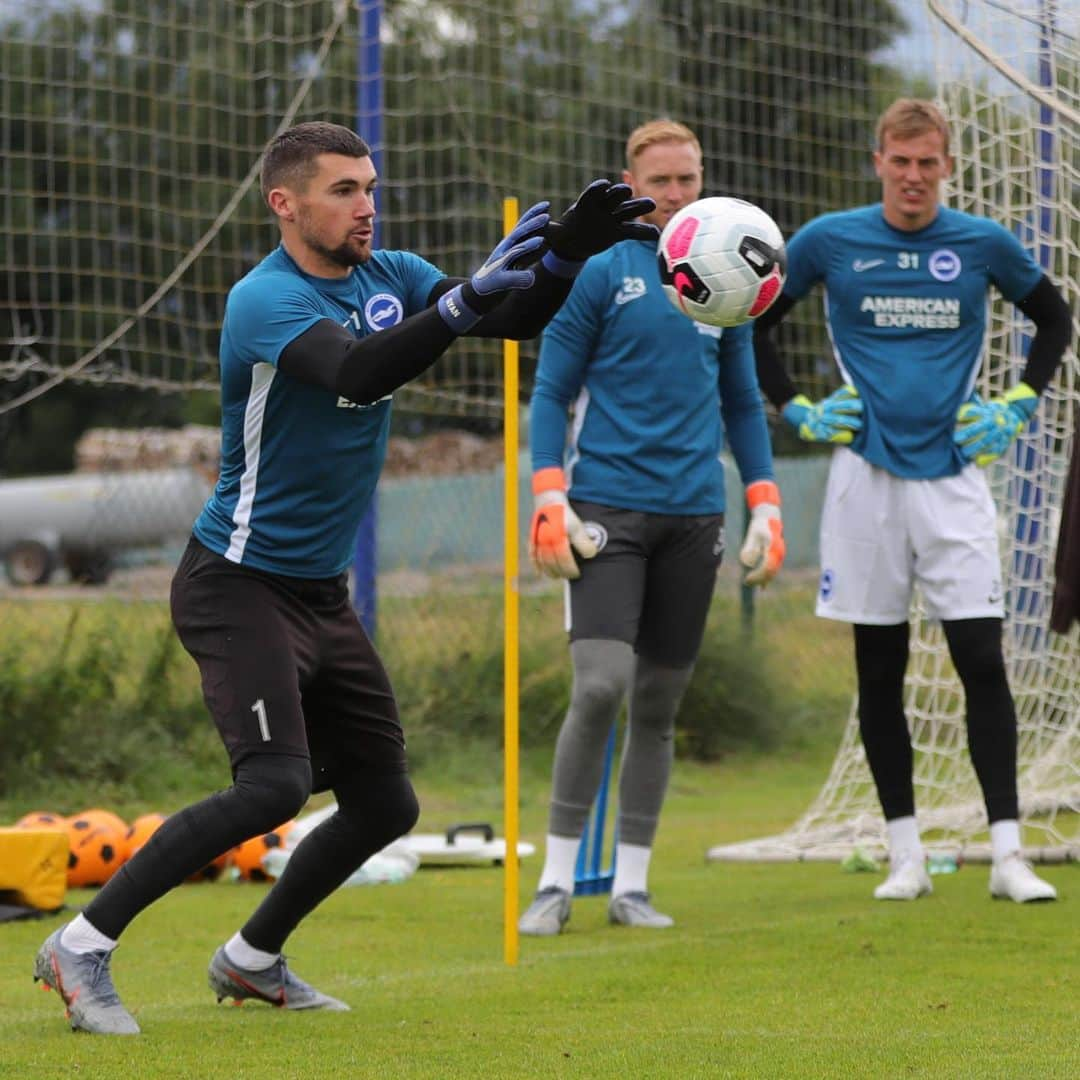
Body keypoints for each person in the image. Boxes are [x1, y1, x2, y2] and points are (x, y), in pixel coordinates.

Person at [32, 121, 659, 1034]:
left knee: (385, 803)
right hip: (236, 583)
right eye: (342, 190)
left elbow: (514, 318)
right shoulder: (264, 299)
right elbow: (358, 373)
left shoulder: (392, 271)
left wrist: (565, 255)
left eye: (370, 186)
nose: (366, 205)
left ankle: (251, 959)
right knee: (274, 788)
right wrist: (462, 302)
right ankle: (80, 945)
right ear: (284, 204)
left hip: (320, 592)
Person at [753, 98, 1072, 903]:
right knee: (879, 668)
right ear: (878, 160)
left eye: (928, 163)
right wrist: (796, 409)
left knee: (980, 661)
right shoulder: (829, 241)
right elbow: (755, 324)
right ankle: (904, 856)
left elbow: (1054, 316)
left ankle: (1007, 857)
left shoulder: (980, 244)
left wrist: (1019, 402)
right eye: (900, 161)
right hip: (863, 480)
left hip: (956, 479)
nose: (913, 177)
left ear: (948, 167)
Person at [518, 119, 786, 936]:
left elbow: (741, 402)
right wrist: (548, 496)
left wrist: (767, 502)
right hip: (604, 510)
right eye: (661, 180)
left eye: (688, 178)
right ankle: (555, 882)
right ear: (632, 184)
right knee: (601, 686)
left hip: (694, 516)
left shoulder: (723, 277)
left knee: (661, 703)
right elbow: (552, 391)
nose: (676, 193)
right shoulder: (600, 271)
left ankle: (631, 885)